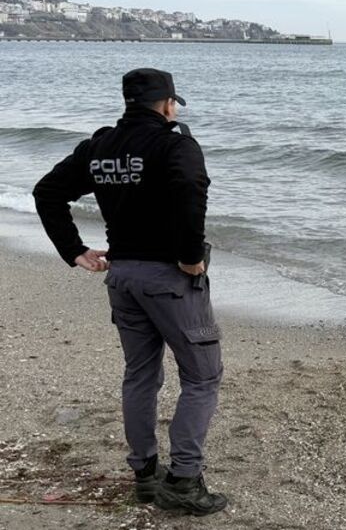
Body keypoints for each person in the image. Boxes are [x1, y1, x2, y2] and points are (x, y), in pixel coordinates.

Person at [33, 68, 228, 516]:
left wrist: (75, 250)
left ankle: (145, 475)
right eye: (173, 102)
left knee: (141, 374)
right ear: (166, 104)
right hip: (169, 280)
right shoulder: (174, 142)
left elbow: (48, 191)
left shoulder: (100, 146)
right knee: (202, 376)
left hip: (122, 277)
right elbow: (191, 187)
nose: (174, 109)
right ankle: (182, 480)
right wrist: (190, 255)